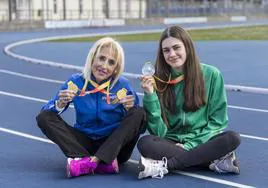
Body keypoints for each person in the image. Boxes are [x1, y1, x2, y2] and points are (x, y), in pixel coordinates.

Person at [138, 26, 241, 179]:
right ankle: (214, 162)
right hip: (171, 142)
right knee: (145, 143)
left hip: (203, 140)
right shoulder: (158, 80)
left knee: (232, 138)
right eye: (166, 50)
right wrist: (150, 95)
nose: (172, 54)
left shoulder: (212, 75)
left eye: (176, 47)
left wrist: (190, 145)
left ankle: (166, 166)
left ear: (187, 47)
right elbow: (158, 133)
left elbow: (218, 122)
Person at [36, 37, 146, 178]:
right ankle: (100, 163)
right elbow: (46, 111)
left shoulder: (123, 85)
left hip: (114, 147)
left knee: (139, 112)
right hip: (84, 143)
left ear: (115, 69)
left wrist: (129, 109)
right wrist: (60, 104)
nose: (104, 66)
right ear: (92, 58)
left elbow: (140, 125)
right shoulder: (75, 82)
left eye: (111, 62)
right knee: (44, 117)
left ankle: (92, 162)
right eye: (101, 58)